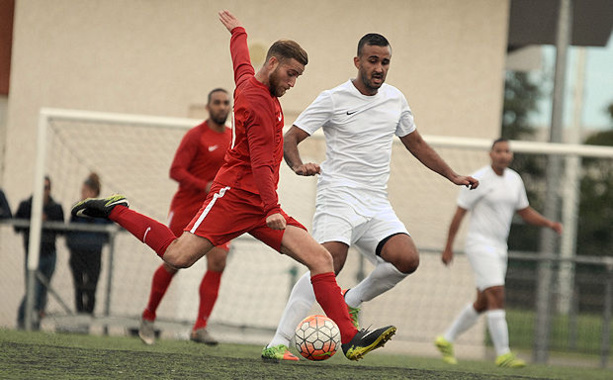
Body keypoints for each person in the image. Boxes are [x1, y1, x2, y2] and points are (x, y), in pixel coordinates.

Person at [71, 9, 396, 362]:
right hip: (234, 197)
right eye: (291, 74)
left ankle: (350, 339)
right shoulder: (255, 105)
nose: (292, 83)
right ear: (273, 64)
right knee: (178, 256)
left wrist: (238, 31)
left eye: (298, 76)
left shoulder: (250, 81)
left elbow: (241, 61)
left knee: (320, 259)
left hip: (260, 203)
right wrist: (272, 208)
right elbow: (258, 163)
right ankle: (117, 210)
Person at [264, 32, 479, 360]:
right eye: (373, 60)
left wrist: (452, 175)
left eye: (385, 62)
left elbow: (416, 143)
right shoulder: (333, 98)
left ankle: (351, 301)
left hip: (376, 203)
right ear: (358, 62)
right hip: (337, 197)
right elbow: (290, 137)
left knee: (407, 259)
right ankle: (278, 341)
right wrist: (296, 166)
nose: (379, 68)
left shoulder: (395, 99)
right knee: (326, 263)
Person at [434, 138, 563, 368]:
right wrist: (448, 246)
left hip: (500, 247)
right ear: (491, 154)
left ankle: (447, 339)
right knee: (497, 293)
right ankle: (503, 353)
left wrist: (549, 224)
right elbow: (459, 213)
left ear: (510, 155)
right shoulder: (479, 179)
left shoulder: (515, 180)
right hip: (479, 244)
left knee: (484, 301)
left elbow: (524, 211)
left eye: (507, 151)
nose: (504, 155)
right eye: (499, 151)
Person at [138, 88, 233, 346]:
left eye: (226, 103)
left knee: (219, 261)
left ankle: (200, 327)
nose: (222, 107)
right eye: (217, 103)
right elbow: (175, 170)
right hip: (187, 208)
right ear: (208, 107)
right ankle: (148, 316)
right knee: (173, 262)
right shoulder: (196, 136)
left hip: (215, 210)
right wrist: (203, 185)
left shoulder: (233, 137)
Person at [15, 176, 65, 329]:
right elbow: (17, 226)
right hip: (32, 256)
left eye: (47, 187)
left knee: (43, 292)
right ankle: (22, 319)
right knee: (32, 291)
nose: (45, 191)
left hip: (49, 255)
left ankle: (35, 323)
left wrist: (47, 221)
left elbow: (61, 230)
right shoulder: (26, 205)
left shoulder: (56, 208)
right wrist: (34, 220)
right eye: (42, 187)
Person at [66, 173, 112, 315]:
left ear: (93, 193)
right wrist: (72, 243)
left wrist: (101, 240)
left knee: (91, 288)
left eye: (85, 191)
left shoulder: (102, 210)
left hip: (94, 253)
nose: (83, 194)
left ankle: (88, 316)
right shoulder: (77, 209)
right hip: (78, 253)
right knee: (79, 287)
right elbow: (70, 229)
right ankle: (79, 316)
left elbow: (111, 226)